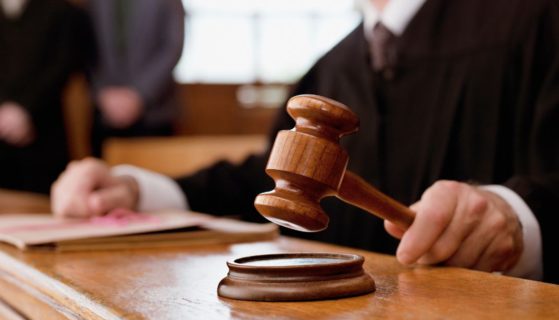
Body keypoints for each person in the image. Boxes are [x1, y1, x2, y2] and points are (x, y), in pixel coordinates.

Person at [51, 0, 559, 284]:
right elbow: (270, 181)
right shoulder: (331, 66)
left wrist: (518, 218)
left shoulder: (537, 22)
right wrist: (136, 191)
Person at [0, 0, 85, 194]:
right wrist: (4, 108)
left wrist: (25, 109)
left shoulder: (60, 9)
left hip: (44, 129)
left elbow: (63, 62)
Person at [86, 0, 185, 156]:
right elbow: (84, 47)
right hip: (105, 110)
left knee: (152, 173)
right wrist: (102, 92)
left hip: (154, 112)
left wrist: (138, 94)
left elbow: (172, 47)